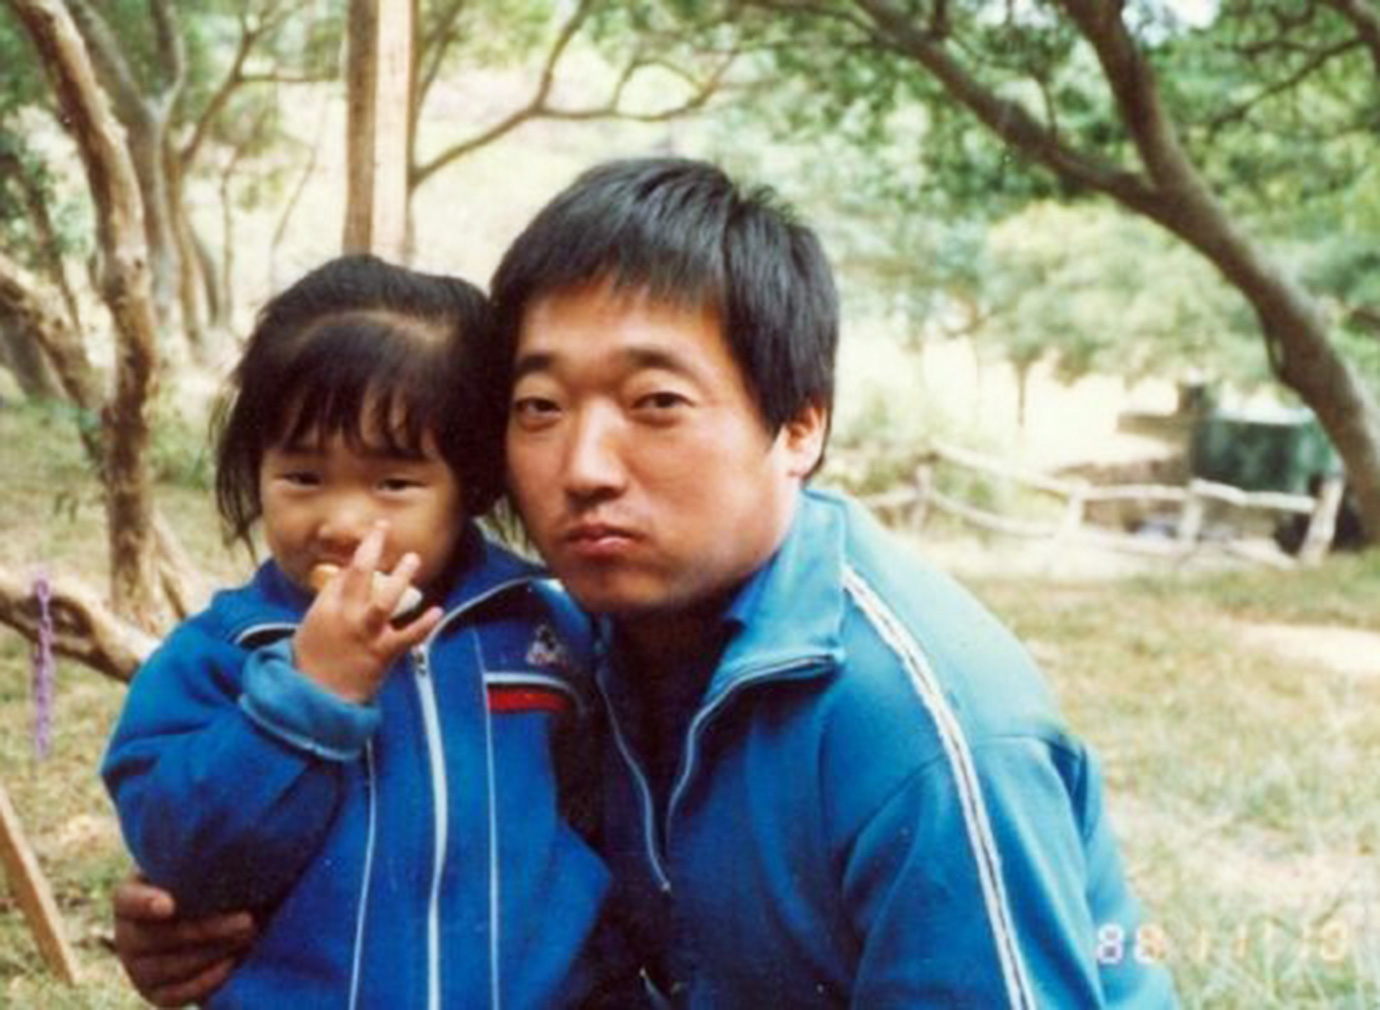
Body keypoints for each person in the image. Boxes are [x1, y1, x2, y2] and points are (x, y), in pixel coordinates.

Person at [113, 160, 1177, 1006]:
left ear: (799, 424)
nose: (583, 466)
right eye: (540, 407)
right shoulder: (568, 636)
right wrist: (205, 913)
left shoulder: (923, 727)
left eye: (656, 401)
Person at [101, 255, 613, 1008]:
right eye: (302, 476)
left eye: (393, 483)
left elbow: (607, 831)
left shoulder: (544, 635)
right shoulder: (215, 659)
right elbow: (181, 857)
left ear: (470, 484)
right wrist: (305, 696)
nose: (341, 523)